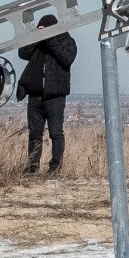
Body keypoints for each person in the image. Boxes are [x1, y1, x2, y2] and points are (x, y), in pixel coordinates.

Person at [16, 15, 78, 174]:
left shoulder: (66, 41)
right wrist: (37, 37)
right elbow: (23, 53)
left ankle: (55, 168)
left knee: (56, 132)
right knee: (34, 133)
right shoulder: (38, 44)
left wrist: (51, 38)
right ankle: (32, 167)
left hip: (55, 96)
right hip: (35, 95)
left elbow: (66, 59)